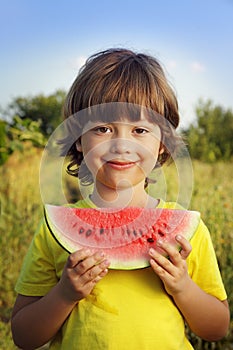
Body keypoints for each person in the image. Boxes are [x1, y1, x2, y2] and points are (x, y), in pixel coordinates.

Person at [11, 48, 230, 350]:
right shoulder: (53, 231)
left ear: (164, 143)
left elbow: (217, 328)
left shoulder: (186, 235)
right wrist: (64, 294)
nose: (121, 145)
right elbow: (23, 336)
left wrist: (182, 287)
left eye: (140, 130)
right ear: (78, 138)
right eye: (103, 128)